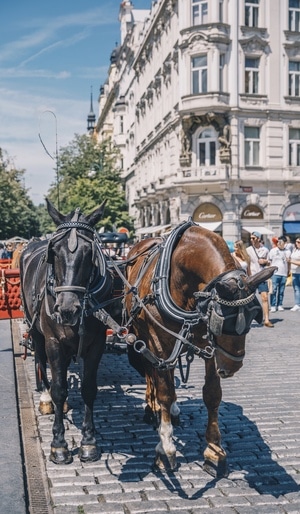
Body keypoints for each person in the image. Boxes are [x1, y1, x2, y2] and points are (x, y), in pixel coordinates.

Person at [246, 231, 273, 328]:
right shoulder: (248, 250)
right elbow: (247, 263)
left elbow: (270, 263)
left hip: (262, 276)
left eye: (253, 238)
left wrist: (265, 261)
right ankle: (248, 319)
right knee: (248, 299)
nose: (251, 240)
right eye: (251, 238)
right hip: (252, 277)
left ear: (258, 238)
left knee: (265, 297)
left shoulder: (265, 250)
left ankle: (266, 319)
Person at [268, 235, 291, 312]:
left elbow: (289, 263)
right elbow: (269, 261)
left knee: (281, 291)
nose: (279, 243)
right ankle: (273, 305)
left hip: (284, 273)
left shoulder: (288, 251)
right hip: (275, 273)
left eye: (281, 242)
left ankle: (280, 304)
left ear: (285, 243)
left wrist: (289, 271)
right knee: (273, 290)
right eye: (278, 241)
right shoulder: (273, 251)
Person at [288, 237, 300, 311]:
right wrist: (289, 270)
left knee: (298, 289)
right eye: (296, 242)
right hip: (294, 272)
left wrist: (290, 261)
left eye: (299, 242)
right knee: (296, 289)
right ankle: (297, 304)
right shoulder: (295, 250)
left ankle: (297, 304)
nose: (297, 243)